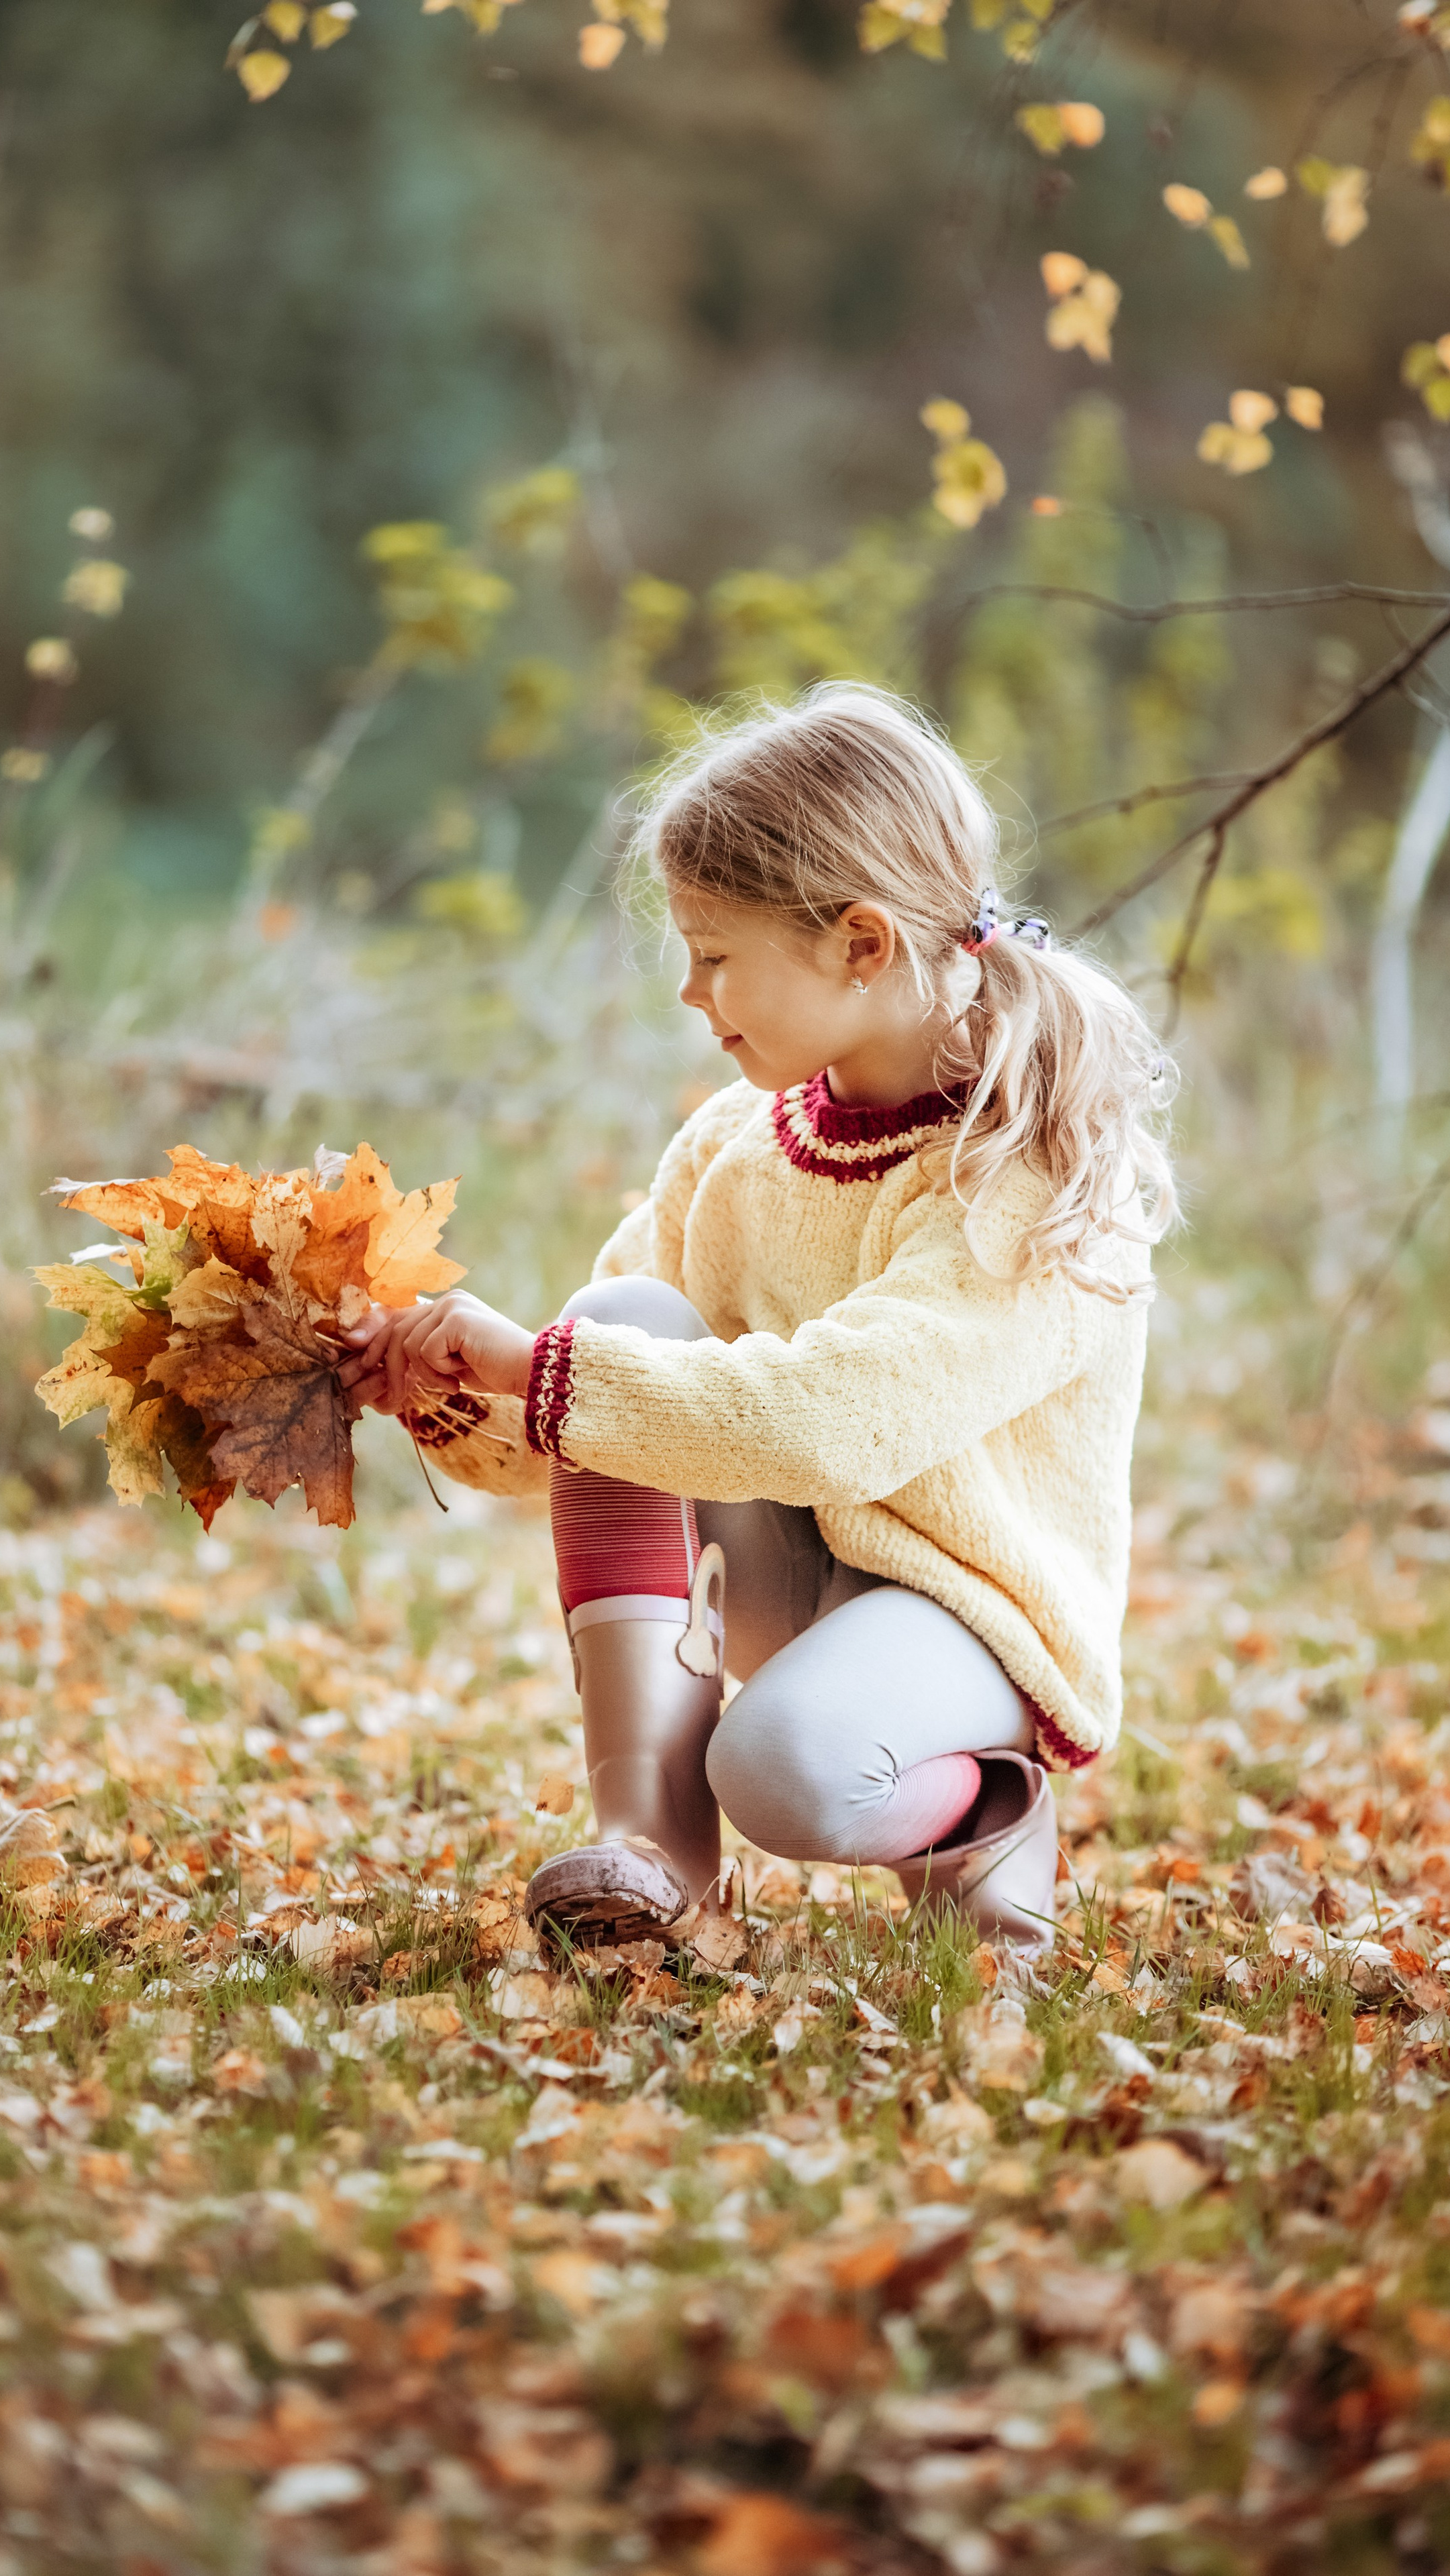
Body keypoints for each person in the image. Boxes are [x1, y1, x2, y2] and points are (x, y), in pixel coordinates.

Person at [336, 683, 1174, 1954]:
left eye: (716, 952)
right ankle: (653, 1856)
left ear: (861, 942)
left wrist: (536, 1365)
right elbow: (588, 1398)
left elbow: (832, 1420)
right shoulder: (737, 1146)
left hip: (976, 1615)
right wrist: (450, 1385)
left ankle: (988, 1819)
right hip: (800, 1567)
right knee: (622, 1313)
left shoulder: (1022, 1174)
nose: (690, 989)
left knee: (784, 1772)